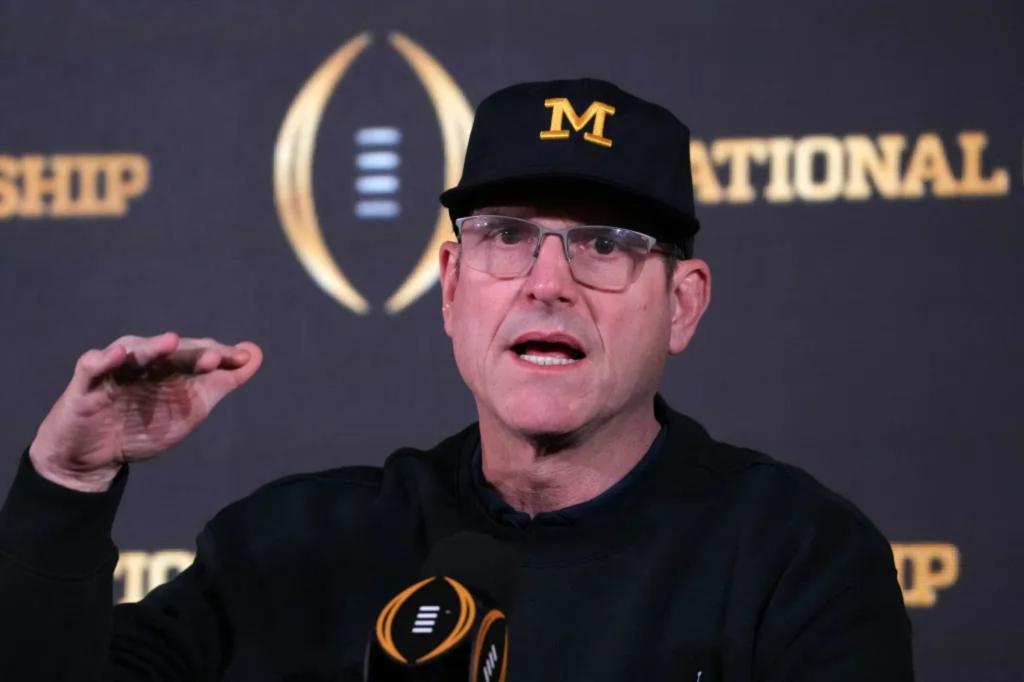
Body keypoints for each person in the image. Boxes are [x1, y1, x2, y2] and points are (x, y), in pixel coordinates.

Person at [0, 78, 913, 681]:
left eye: (605, 245)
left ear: (683, 304)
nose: (547, 282)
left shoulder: (798, 561)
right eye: (507, 236)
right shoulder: (287, 550)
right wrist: (66, 489)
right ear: (450, 286)